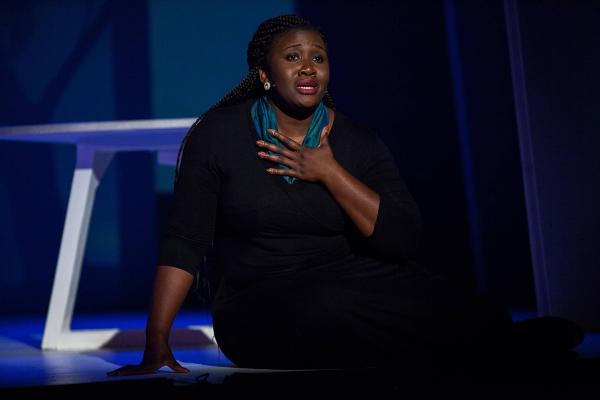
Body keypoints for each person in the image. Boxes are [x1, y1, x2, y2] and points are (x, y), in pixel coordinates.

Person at [107, 14, 583, 380]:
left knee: (468, 307)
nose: (309, 66)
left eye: (318, 56)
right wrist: (156, 342)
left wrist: (329, 171)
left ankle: (484, 338)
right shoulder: (219, 135)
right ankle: (484, 348)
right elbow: (185, 240)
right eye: (293, 56)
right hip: (259, 305)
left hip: (353, 283)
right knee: (326, 304)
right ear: (264, 73)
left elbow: (402, 240)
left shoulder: (356, 140)